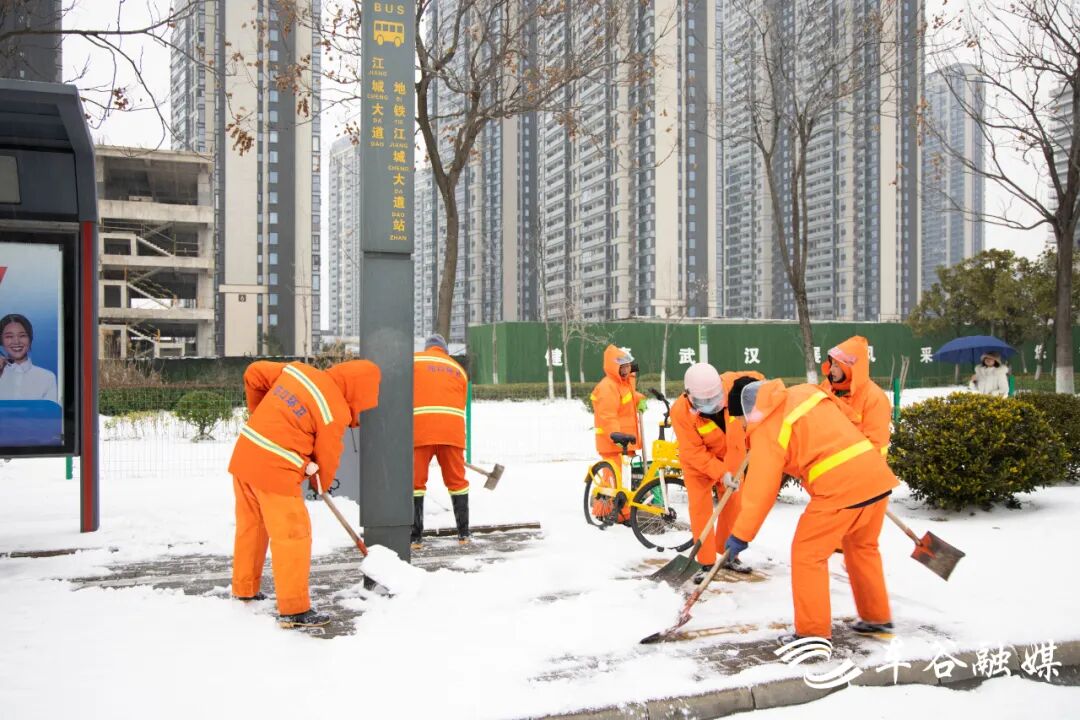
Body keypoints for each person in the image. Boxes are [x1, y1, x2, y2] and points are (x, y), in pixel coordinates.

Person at [725, 379, 898, 645]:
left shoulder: (768, 428)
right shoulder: (807, 392)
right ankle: (877, 619)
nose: (742, 426)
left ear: (749, 411)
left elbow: (761, 489)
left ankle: (812, 634)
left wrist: (740, 535)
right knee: (862, 547)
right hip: (874, 473)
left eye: (740, 420)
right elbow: (851, 417)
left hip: (839, 488)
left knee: (807, 554)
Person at [228, 358, 381, 628]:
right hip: (276, 470)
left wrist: (259, 412)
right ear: (359, 390)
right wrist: (319, 483)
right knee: (293, 536)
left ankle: (245, 589)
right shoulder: (334, 409)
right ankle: (294, 610)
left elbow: (254, 373)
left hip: (245, 455)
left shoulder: (297, 371)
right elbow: (328, 457)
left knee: (252, 527)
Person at [669, 364, 763, 580]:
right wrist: (720, 472)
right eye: (705, 402)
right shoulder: (680, 412)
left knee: (734, 505)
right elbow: (693, 451)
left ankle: (728, 555)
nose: (713, 405)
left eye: (716, 398)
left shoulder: (733, 383)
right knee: (700, 510)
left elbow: (760, 382)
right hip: (698, 463)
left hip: (732, 456)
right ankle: (706, 562)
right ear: (689, 395)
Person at [413, 334, 470, 548]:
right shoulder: (458, 369)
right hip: (452, 433)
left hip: (421, 431)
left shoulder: (415, 361)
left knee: (415, 484)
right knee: (458, 483)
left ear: (427, 348)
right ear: (445, 351)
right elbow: (461, 403)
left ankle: (415, 538)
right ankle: (464, 535)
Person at [590, 344, 645, 522]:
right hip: (614, 443)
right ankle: (605, 512)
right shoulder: (608, 387)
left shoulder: (623, 384)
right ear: (614, 368)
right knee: (614, 480)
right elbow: (608, 416)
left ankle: (623, 513)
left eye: (628, 366)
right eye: (623, 367)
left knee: (623, 481)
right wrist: (616, 436)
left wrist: (640, 399)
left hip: (625, 442)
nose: (627, 370)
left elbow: (628, 398)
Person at [820, 336, 891, 457]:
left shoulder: (875, 398)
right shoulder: (827, 387)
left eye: (837, 365)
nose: (831, 369)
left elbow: (876, 447)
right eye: (831, 363)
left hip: (856, 466)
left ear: (850, 368)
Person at [0, 314, 58, 402]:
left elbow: (50, 410)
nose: (16, 341)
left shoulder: (47, 377)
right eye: (9, 336)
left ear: (30, 339)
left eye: (22, 335)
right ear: (1, 341)